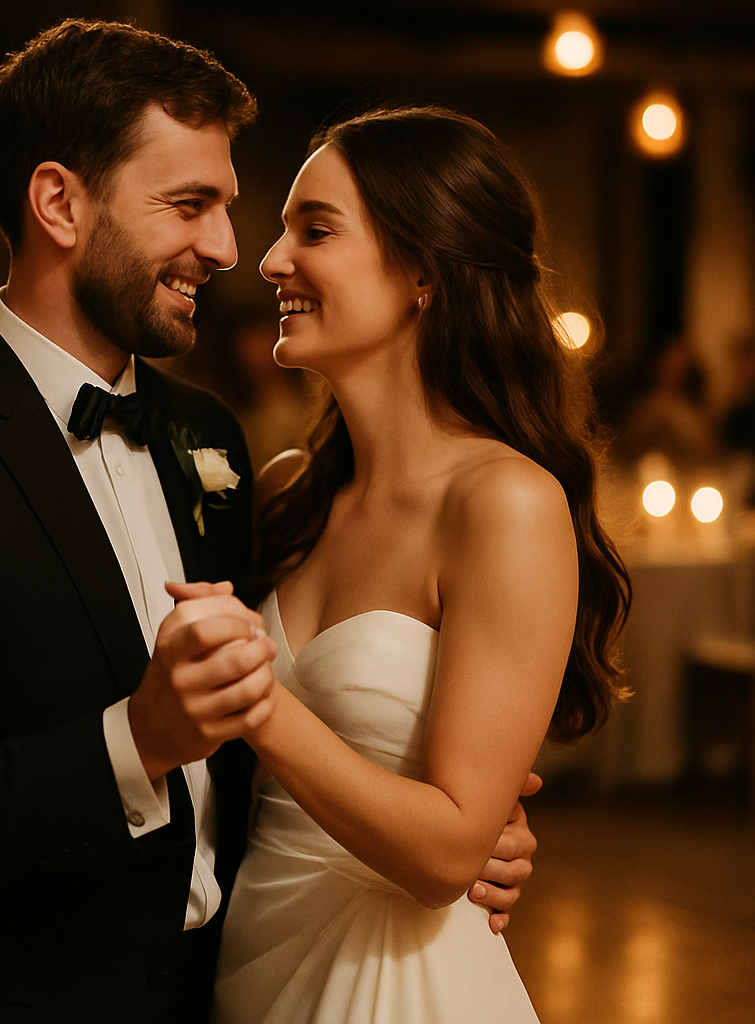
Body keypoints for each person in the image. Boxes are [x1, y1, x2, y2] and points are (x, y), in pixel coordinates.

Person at [0, 21, 538, 1024]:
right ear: (59, 203)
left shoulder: (209, 439)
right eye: (191, 205)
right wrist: (132, 741)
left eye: (231, 209)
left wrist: (464, 817)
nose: (230, 250)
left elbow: (290, 734)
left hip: (223, 991)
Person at [210, 106, 631, 1024]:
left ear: (425, 274)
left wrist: (256, 703)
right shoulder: (289, 491)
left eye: (314, 230)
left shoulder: (505, 504)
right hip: (247, 962)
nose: (271, 261)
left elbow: (447, 855)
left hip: (398, 983)